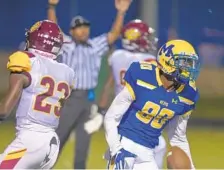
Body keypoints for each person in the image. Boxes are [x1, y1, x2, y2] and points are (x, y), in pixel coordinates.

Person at [0, 20, 75, 169]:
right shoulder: (67, 72)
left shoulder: (27, 61)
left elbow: (3, 111)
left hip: (30, 141)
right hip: (52, 143)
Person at [47, 0, 132, 169]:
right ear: (72, 31)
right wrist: (52, 7)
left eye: (85, 26)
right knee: (57, 140)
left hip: (89, 99)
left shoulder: (94, 46)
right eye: (79, 26)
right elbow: (54, 29)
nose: (83, 29)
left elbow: (113, 34)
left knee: (83, 145)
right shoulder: (67, 45)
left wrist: (121, 13)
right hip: (70, 99)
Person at [104, 39, 200, 169]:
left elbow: (178, 138)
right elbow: (111, 117)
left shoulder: (187, 95)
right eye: (183, 62)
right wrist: (116, 150)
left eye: (190, 63)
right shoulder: (143, 76)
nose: (189, 68)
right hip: (124, 145)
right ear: (167, 62)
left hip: (148, 153)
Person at [98, 19, 166, 169]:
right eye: (145, 37)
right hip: (137, 116)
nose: (148, 41)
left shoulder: (116, 56)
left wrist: (101, 109)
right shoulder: (150, 61)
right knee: (156, 146)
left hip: (120, 113)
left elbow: (108, 84)